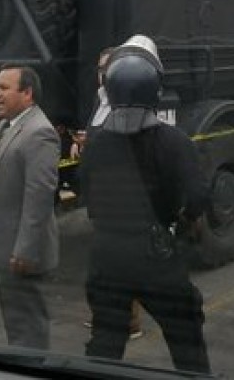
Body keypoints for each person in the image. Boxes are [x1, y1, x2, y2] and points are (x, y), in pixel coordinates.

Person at [80, 35, 212, 373]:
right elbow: (198, 196)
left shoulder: (94, 144)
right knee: (186, 339)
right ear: (155, 90)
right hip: (155, 256)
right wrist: (183, 222)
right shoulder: (174, 141)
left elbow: (87, 195)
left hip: (106, 254)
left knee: (105, 344)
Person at [0, 64, 60, 350]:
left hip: (19, 252)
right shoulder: (7, 125)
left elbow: (39, 198)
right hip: (1, 246)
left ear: (27, 93)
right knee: (17, 325)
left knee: (28, 328)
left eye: (4, 88)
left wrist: (25, 250)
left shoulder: (38, 133)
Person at [71, 47, 144, 341]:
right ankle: (106, 313)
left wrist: (93, 141)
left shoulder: (129, 101)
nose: (102, 74)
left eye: (108, 68)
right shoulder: (99, 99)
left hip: (122, 193)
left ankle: (130, 321)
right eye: (100, 69)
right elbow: (96, 130)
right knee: (104, 261)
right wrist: (82, 142)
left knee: (124, 260)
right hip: (100, 190)